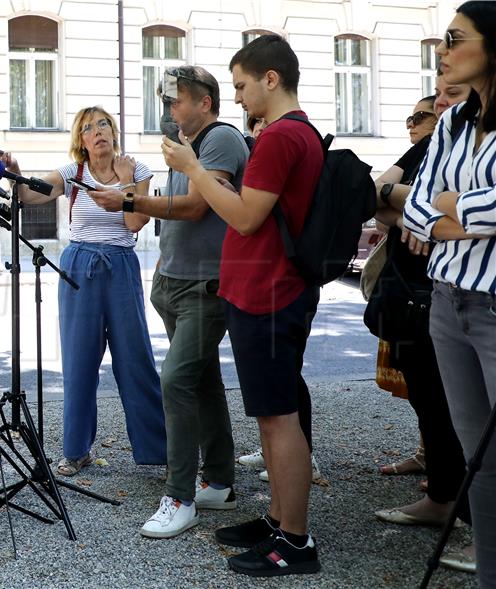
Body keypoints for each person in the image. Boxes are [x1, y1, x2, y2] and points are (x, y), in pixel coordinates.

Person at [162, 35, 323, 576]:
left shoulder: (279, 138)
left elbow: (246, 216)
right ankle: (278, 519)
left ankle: (295, 540)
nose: (237, 98)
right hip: (265, 291)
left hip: (270, 293)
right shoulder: (288, 134)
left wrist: (194, 167)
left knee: (279, 420)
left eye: (240, 86)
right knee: (270, 415)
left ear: (270, 79)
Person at [90, 65, 246, 539]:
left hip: (206, 286)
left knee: (176, 380)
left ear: (204, 102)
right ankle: (218, 480)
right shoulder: (183, 147)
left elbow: (199, 206)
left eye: (176, 101)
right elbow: (180, 209)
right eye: (165, 102)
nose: (169, 111)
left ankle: (179, 497)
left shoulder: (220, 139)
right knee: (201, 381)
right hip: (175, 282)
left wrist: (130, 203)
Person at [0, 106, 167, 477]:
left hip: (121, 265)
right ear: (81, 141)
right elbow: (32, 195)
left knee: (135, 359)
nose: (98, 131)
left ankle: (158, 450)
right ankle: (76, 451)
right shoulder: (72, 173)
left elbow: (136, 221)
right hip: (79, 266)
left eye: (104, 124)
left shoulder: (136, 170)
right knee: (79, 361)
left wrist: (124, 182)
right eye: (88, 128)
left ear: (113, 130)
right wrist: (14, 173)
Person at [404, 3, 496, 586]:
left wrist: (449, 207)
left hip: (492, 305)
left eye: (455, 39)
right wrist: (453, 214)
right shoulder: (455, 120)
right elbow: (414, 205)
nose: (442, 50)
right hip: (447, 301)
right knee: (479, 465)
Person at [370, 95, 471, 533]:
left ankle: (469, 515)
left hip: (452, 291)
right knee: (429, 399)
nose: (414, 123)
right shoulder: (424, 148)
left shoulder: (470, 144)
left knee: (463, 408)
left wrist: (413, 209)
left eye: (421, 115)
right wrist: (419, 214)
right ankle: (442, 496)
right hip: (410, 295)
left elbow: (467, 210)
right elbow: (374, 196)